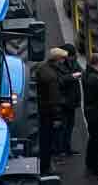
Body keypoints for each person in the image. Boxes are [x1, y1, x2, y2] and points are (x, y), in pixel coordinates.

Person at [33, 47, 67, 175]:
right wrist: (57, 117)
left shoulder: (42, 68)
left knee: (44, 140)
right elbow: (54, 98)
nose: (64, 61)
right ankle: (46, 168)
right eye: (63, 59)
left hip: (42, 109)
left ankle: (44, 165)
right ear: (58, 59)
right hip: (48, 112)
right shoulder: (51, 76)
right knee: (47, 141)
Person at [57, 44, 82, 158]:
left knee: (70, 126)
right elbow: (59, 81)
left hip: (71, 100)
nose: (73, 58)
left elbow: (79, 69)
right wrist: (72, 77)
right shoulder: (57, 64)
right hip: (62, 101)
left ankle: (67, 148)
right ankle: (60, 150)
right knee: (62, 126)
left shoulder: (72, 62)